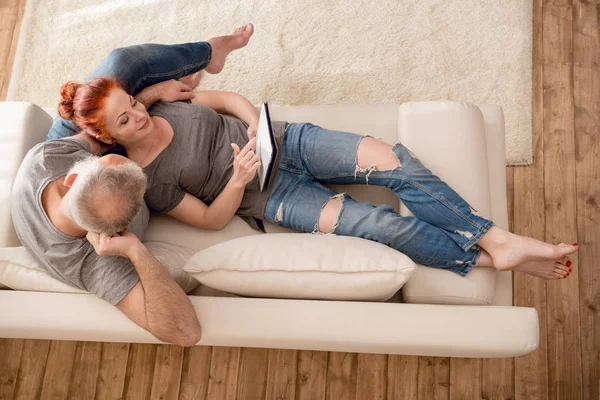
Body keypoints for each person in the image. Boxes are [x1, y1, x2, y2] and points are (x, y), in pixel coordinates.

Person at [58, 64, 578, 281]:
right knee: (378, 225)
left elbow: (224, 97)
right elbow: (212, 221)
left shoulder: (162, 102)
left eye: (133, 102)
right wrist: (239, 177)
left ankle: (495, 238)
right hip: (268, 196)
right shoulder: (148, 179)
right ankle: (487, 258)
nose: (139, 115)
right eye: (125, 118)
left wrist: (254, 125)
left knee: (393, 160)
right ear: (110, 136)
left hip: (288, 140)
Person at [11, 24, 256, 346]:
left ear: (74, 177)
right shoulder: (88, 262)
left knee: (121, 62)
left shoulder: (47, 157)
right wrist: (136, 252)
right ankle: (181, 80)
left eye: (115, 157)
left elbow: (106, 136)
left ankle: (210, 52)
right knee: (125, 91)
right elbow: (184, 333)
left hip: (55, 157)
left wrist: (152, 96)